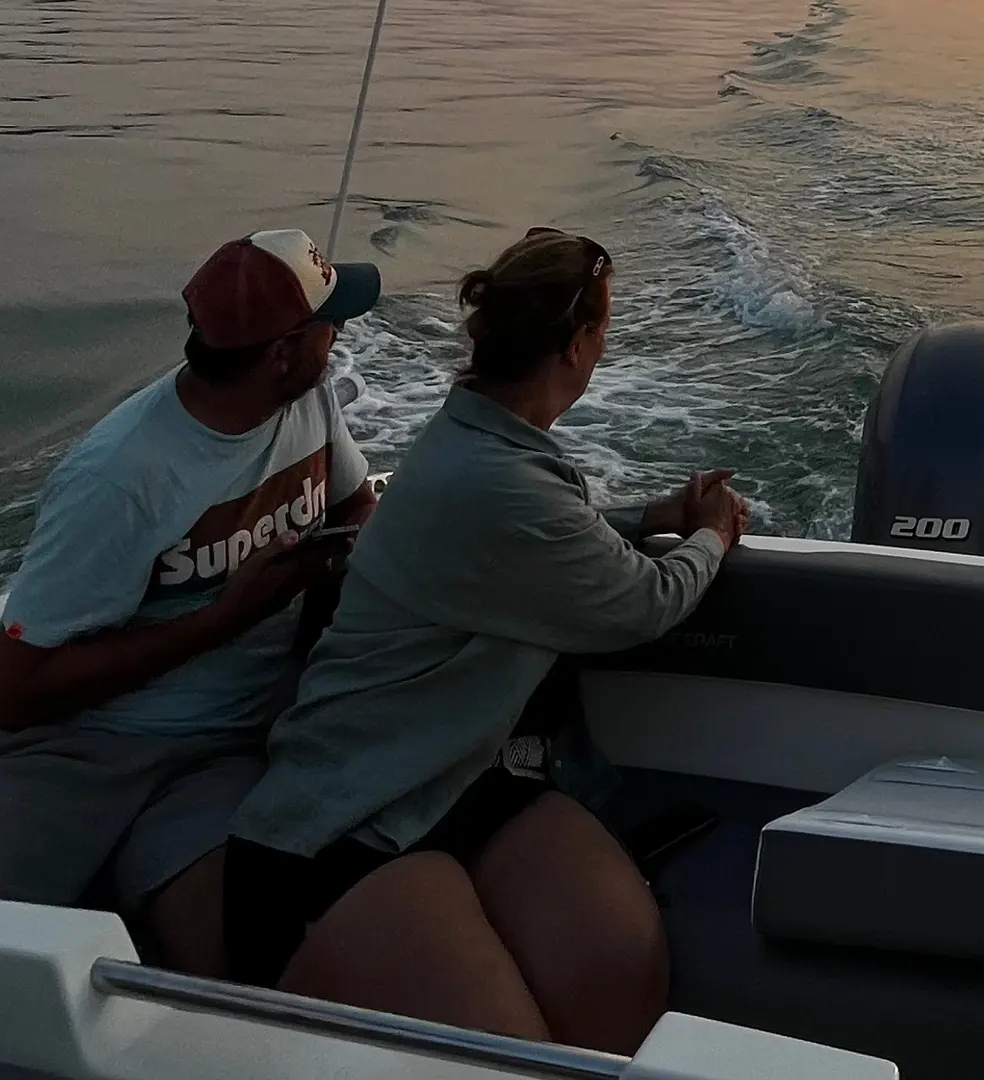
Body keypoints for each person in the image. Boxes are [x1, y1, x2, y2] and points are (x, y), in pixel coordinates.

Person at [224, 227, 748, 1054]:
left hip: (456, 780)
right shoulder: (499, 478)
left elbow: (540, 540)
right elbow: (641, 602)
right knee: (505, 1060)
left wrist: (652, 517)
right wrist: (713, 536)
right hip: (343, 827)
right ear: (579, 345)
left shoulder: (474, 440)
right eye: (603, 333)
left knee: (618, 963)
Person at [0, 229, 383, 977]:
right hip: (83, 752)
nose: (338, 339)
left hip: (227, 754)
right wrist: (224, 619)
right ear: (282, 352)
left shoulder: (307, 407)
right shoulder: (120, 479)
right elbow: (14, 692)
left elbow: (356, 509)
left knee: (246, 973)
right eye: (328, 324)